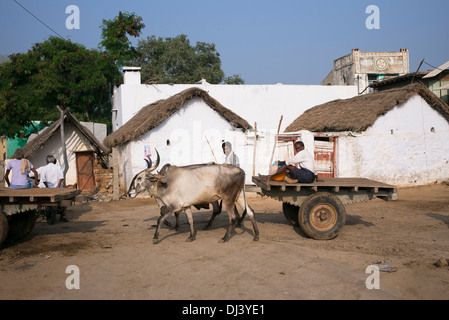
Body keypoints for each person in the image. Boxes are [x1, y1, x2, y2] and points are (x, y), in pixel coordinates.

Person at [40, 155, 67, 222]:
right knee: (64, 200)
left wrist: (48, 187)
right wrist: (58, 186)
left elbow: (43, 180)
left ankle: (42, 209)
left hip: (48, 189)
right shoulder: (58, 167)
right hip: (58, 188)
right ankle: (63, 215)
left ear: (47, 161)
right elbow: (61, 177)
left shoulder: (44, 168)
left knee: (42, 199)